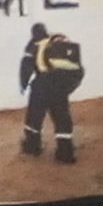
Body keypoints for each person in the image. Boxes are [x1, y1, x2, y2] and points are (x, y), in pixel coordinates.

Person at [20, 24, 86, 163]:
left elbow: (26, 67)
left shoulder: (33, 45)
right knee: (62, 117)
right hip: (60, 85)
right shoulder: (56, 40)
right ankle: (65, 153)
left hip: (42, 84)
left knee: (34, 117)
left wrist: (24, 84)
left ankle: (32, 146)